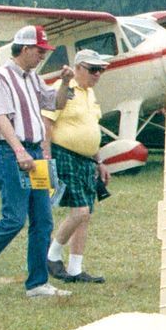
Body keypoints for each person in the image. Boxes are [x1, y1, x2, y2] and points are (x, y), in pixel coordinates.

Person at [0, 25, 67, 299]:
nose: (42, 56)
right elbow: (0, 117)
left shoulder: (33, 77)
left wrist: (65, 82)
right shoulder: (1, 77)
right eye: (39, 51)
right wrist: (19, 151)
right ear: (25, 48)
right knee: (14, 219)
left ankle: (38, 283)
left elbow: (56, 103)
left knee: (43, 220)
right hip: (12, 152)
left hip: (33, 152)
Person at [43, 48, 113, 284]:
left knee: (86, 215)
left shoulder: (90, 94)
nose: (98, 74)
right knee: (80, 211)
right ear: (78, 68)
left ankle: (75, 270)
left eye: (101, 70)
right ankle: (51, 255)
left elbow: (91, 128)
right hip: (65, 155)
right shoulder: (62, 88)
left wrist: (99, 161)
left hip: (86, 159)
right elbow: (47, 123)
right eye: (94, 69)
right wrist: (47, 160)